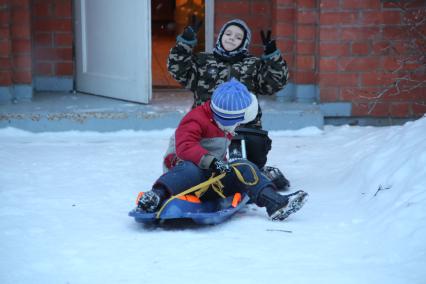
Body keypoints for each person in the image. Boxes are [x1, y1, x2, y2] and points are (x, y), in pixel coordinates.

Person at [138, 79, 307, 221]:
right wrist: (212, 162)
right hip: (184, 175)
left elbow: (219, 156)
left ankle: (276, 203)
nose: (237, 125)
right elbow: (185, 147)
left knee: (243, 166)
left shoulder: (225, 126)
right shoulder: (195, 119)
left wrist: (224, 167)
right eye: (235, 121)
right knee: (191, 169)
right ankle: (155, 196)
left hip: (211, 178)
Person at [167, 16, 290, 190]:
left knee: (246, 163)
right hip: (208, 127)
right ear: (221, 36)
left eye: (238, 37)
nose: (232, 38)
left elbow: (274, 83)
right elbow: (178, 71)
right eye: (228, 33)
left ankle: (257, 174)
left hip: (244, 127)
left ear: (244, 42)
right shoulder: (203, 61)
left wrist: (272, 56)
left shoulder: (253, 65)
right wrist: (185, 43)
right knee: (202, 160)